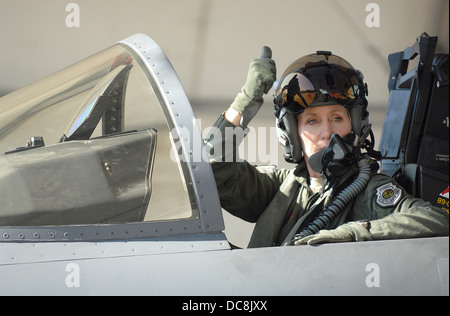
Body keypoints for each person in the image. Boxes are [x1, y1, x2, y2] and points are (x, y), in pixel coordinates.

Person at [205, 48, 449, 248]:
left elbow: (436, 219)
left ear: (355, 125)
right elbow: (210, 174)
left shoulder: (368, 190)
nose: (327, 132)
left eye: (337, 118)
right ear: (292, 134)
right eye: (312, 121)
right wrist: (244, 101)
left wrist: (353, 233)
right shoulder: (280, 188)